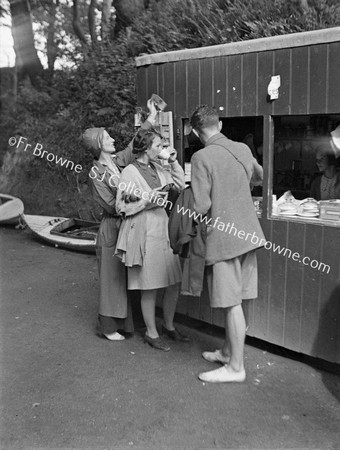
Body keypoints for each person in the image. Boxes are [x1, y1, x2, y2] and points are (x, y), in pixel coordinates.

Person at [189, 105, 265, 383]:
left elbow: (200, 205)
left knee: (231, 303)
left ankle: (236, 368)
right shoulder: (242, 150)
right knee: (239, 299)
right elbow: (258, 177)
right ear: (219, 125)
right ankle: (226, 351)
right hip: (248, 234)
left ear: (197, 133)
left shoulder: (201, 157)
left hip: (224, 238)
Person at [82, 100, 158, 341]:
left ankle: (125, 325)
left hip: (125, 224)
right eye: (107, 138)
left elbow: (134, 144)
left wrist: (152, 117)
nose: (113, 139)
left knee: (124, 278)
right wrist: (137, 199)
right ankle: (107, 328)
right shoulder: (97, 172)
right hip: (111, 228)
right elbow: (110, 205)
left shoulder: (116, 163)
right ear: (99, 146)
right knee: (111, 279)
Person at [115, 127, 189, 351]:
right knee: (150, 286)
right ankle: (151, 332)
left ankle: (169, 326)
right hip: (144, 230)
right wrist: (147, 201)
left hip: (163, 228)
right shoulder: (129, 172)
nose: (162, 149)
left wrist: (174, 162)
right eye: (158, 145)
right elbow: (120, 206)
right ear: (146, 147)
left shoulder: (159, 167)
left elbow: (180, 185)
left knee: (173, 282)